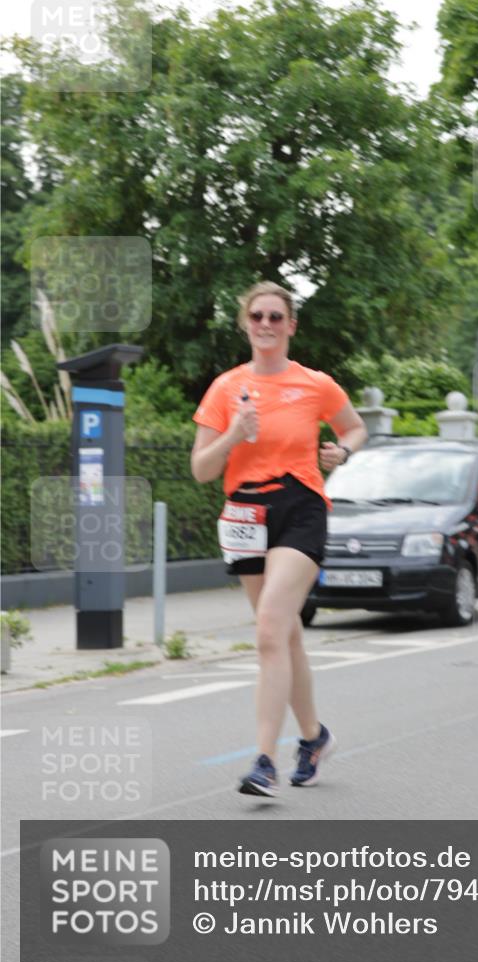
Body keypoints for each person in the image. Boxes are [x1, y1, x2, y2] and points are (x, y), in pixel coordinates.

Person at [190, 281, 368, 796]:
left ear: (290, 325)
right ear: (245, 324)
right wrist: (233, 433)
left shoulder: (315, 384)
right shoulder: (225, 388)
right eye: (257, 316)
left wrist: (342, 452)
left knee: (270, 626)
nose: (265, 324)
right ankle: (313, 737)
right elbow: (201, 469)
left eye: (275, 316)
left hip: (300, 507)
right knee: (283, 634)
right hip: (245, 512)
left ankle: (264, 761)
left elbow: (354, 428)